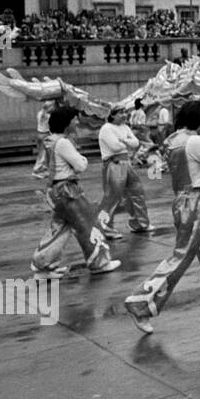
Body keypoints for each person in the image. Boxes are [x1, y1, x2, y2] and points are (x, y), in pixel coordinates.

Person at [123, 100, 200, 334]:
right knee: (181, 257)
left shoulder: (173, 139)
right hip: (196, 203)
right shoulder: (196, 141)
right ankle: (140, 303)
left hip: (185, 200)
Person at [30, 108, 122, 279]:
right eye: (75, 120)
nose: (77, 123)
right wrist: (83, 159)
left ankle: (43, 266)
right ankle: (99, 262)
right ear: (67, 122)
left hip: (56, 190)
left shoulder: (50, 140)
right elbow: (80, 166)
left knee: (60, 228)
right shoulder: (63, 143)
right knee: (87, 224)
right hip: (67, 191)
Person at [97, 106, 155, 235]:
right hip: (114, 163)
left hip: (126, 162)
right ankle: (104, 227)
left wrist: (124, 141)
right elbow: (115, 146)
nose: (124, 115)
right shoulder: (106, 128)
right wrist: (128, 142)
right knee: (112, 196)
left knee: (137, 192)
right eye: (120, 113)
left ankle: (140, 223)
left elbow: (136, 143)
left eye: (125, 112)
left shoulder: (125, 127)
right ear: (112, 115)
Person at [31, 99, 55, 179]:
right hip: (45, 134)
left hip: (39, 134)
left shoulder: (40, 113)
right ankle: (38, 170)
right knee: (45, 154)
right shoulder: (48, 115)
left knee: (41, 153)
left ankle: (43, 169)